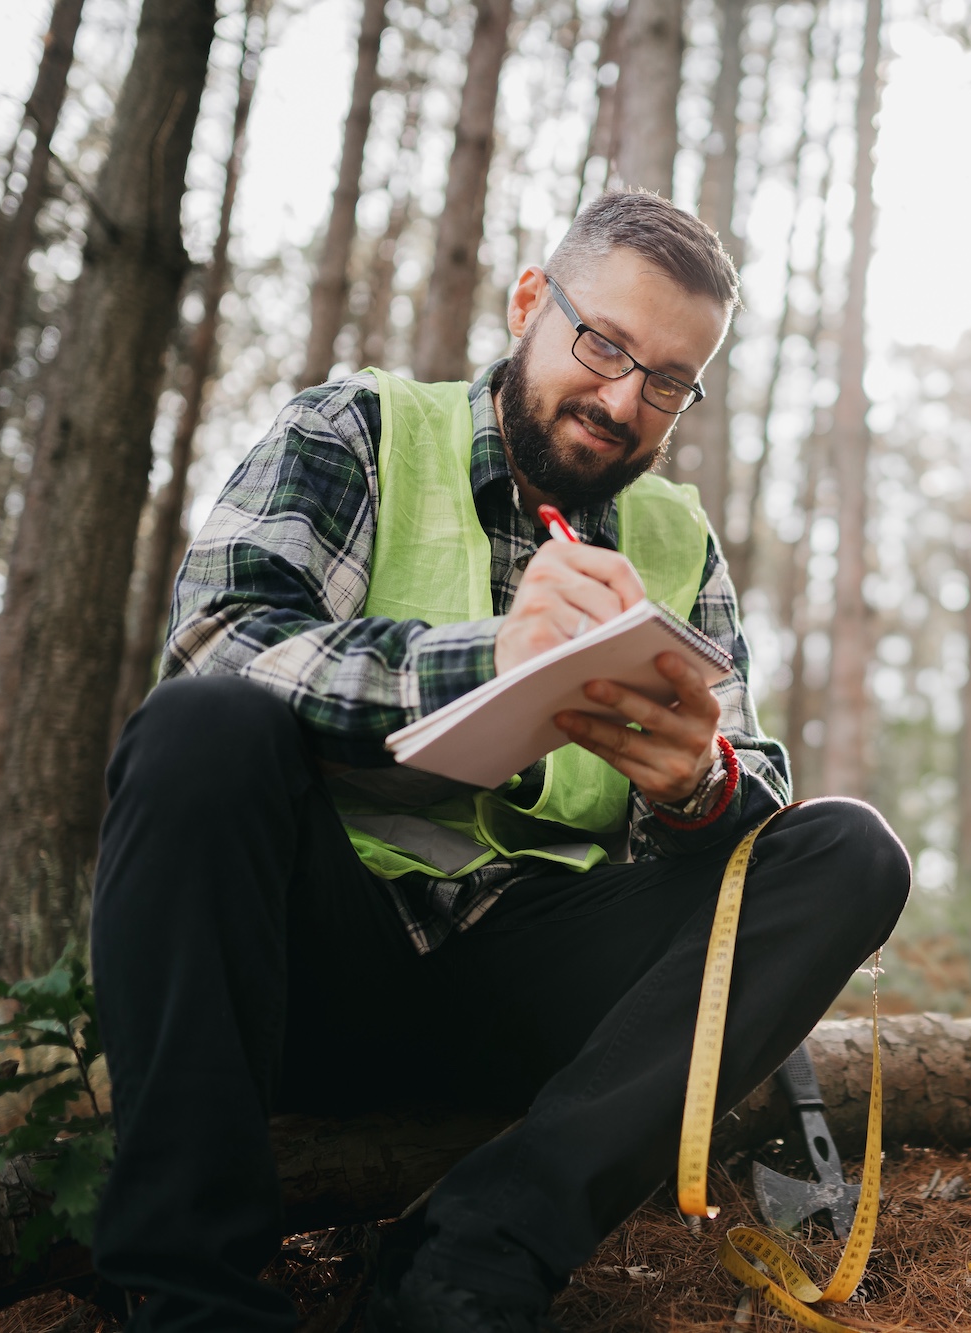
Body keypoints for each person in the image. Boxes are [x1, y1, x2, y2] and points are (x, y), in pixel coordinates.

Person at [89, 189, 910, 1332]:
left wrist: (698, 785)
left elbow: (750, 793)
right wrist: (481, 660)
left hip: (539, 996)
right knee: (198, 726)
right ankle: (192, 1296)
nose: (624, 400)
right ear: (531, 302)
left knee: (849, 851)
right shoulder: (359, 428)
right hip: (310, 969)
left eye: (667, 379)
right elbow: (223, 638)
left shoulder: (677, 540)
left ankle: (470, 1252)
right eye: (603, 344)